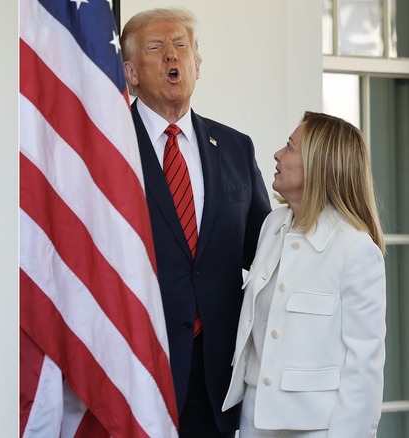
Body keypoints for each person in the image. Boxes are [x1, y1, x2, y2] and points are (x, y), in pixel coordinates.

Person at [120, 7, 272, 437]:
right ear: (130, 71)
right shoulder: (107, 147)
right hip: (136, 364)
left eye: (181, 46)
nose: (172, 56)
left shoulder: (236, 148)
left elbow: (262, 249)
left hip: (216, 375)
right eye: (156, 48)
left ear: (198, 65)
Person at [222, 111, 386, 437]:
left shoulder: (355, 250)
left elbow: (364, 369)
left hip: (316, 430)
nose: (278, 155)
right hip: (253, 422)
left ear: (319, 164)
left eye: (290, 147)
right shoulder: (272, 225)